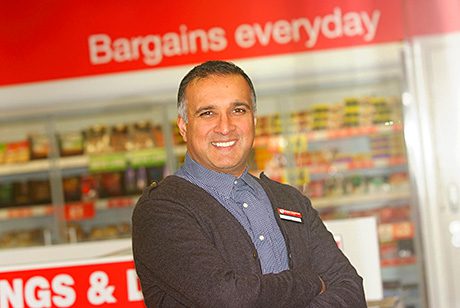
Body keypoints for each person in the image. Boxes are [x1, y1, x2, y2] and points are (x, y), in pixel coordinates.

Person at [132, 60, 366, 307]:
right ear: (183, 126)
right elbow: (227, 297)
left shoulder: (290, 201)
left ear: (254, 121)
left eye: (238, 110)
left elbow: (350, 290)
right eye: (208, 113)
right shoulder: (161, 210)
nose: (225, 127)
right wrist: (309, 282)